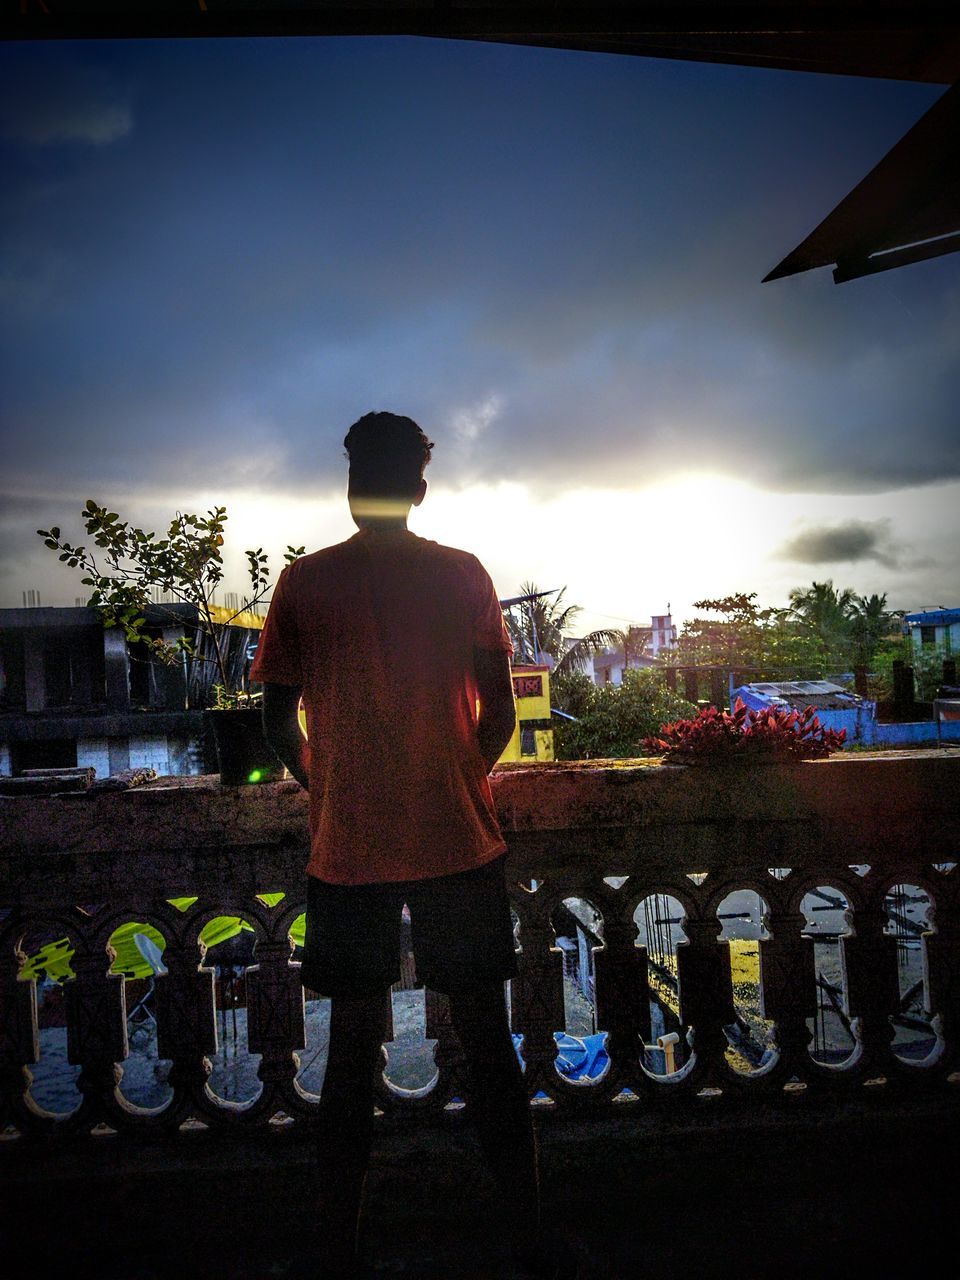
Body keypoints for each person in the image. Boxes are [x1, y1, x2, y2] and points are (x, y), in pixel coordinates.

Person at [252, 412, 555, 1279]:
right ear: (420, 487)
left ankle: (340, 1252)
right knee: (488, 1045)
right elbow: (497, 711)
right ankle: (529, 1239)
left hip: (348, 850)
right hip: (458, 840)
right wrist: (457, 774)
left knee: (349, 1053)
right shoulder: (462, 576)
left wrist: (336, 785)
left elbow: (277, 723)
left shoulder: (304, 586)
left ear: (350, 484)